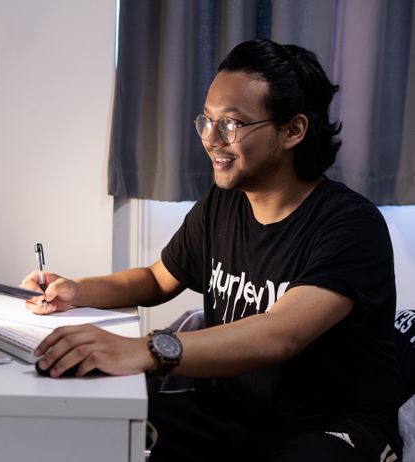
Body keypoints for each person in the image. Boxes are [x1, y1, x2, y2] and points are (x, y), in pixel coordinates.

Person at [21, 39, 403, 461]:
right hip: (231, 412)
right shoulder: (224, 202)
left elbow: (281, 334)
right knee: (87, 419)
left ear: (293, 130)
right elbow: (155, 279)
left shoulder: (350, 225)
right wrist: (77, 290)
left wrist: (147, 350)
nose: (211, 139)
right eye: (206, 120)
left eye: (232, 124)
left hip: (329, 425)